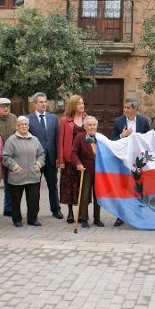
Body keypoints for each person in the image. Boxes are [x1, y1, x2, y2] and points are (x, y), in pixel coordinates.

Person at [109, 96, 150, 227]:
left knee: (139, 187)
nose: (125, 110)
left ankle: (140, 214)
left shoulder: (143, 121)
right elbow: (112, 141)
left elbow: (148, 140)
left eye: (128, 108)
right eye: (124, 107)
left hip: (139, 160)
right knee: (123, 187)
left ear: (135, 109)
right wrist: (123, 135)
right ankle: (120, 216)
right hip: (123, 160)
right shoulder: (118, 122)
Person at [2, 116, 45, 227]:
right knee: (16, 201)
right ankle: (17, 220)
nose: (24, 126)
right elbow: (6, 157)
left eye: (26, 124)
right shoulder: (11, 140)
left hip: (33, 175)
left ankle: (33, 219)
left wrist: (39, 163)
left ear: (28, 126)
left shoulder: (35, 140)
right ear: (17, 126)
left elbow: (41, 154)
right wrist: (13, 165)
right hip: (17, 176)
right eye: (21, 124)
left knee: (34, 200)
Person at [27, 92, 62, 220]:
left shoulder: (53, 118)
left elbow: (57, 139)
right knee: (34, 187)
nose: (44, 104)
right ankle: (34, 213)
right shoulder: (28, 119)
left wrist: (59, 157)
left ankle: (56, 210)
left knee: (53, 186)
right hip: (36, 159)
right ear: (35, 104)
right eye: (41, 102)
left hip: (51, 158)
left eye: (45, 102)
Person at [57, 95, 88, 223]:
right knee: (69, 186)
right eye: (79, 103)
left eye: (83, 103)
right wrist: (61, 161)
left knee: (82, 186)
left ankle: (81, 214)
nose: (82, 105)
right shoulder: (65, 121)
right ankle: (70, 212)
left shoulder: (87, 119)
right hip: (69, 159)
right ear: (73, 105)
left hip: (83, 159)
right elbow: (61, 142)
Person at [73, 116, 104, 228]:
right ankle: (83, 218)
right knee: (85, 195)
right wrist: (78, 164)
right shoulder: (80, 137)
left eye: (94, 125)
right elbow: (74, 153)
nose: (92, 127)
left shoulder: (100, 137)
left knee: (98, 195)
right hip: (85, 171)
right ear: (85, 127)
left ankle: (97, 218)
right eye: (89, 125)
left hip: (98, 171)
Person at [0, 97, 17, 217]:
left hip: (10, 157)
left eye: (7, 106)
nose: (5, 108)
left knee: (9, 184)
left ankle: (8, 208)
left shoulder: (14, 118)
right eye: (3, 106)